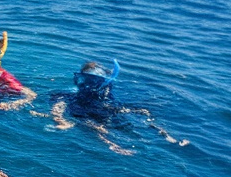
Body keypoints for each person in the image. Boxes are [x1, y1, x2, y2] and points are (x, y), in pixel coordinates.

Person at [32, 60, 187, 155]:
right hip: (106, 109)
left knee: (95, 125)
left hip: (89, 109)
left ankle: (113, 144)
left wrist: (58, 118)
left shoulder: (71, 93)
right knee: (138, 116)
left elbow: (60, 103)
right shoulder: (103, 90)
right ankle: (167, 137)